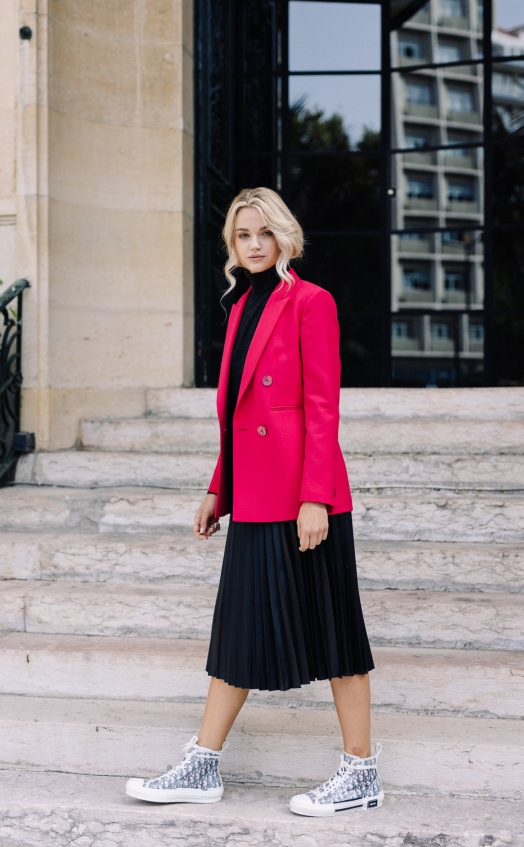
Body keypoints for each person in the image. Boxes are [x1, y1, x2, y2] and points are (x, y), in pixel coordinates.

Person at [126, 187, 383, 817]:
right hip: (255, 497)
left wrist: (315, 498)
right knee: (237, 631)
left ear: (285, 235)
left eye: (265, 232)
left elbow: (322, 406)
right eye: (244, 235)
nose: (255, 244)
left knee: (335, 631)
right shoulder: (240, 304)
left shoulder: (311, 301)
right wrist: (218, 488)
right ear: (232, 244)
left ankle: (361, 773)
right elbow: (239, 416)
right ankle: (202, 764)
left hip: (304, 499)